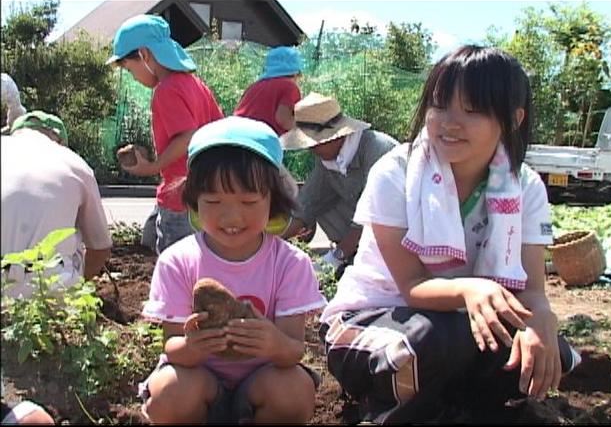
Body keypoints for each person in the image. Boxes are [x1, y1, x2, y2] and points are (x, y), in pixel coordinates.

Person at [318, 45, 582, 424]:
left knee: (552, 351)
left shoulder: (524, 187)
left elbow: (533, 291)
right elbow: (411, 286)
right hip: (373, 320)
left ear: (512, 119)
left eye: (472, 110)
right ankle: (387, 411)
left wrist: (541, 321)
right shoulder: (396, 173)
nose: (450, 122)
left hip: (462, 324)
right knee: (427, 341)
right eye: (440, 106)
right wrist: (471, 289)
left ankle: (465, 407)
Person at [138, 116, 327, 424]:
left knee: (294, 390)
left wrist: (273, 343)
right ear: (194, 201)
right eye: (213, 201)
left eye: (249, 201)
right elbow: (172, 348)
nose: (231, 216)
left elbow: (294, 350)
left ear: (273, 199)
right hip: (200, 379)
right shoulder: (178, 261)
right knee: (171, 392)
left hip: (260, 381)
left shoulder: (290, 263)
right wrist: (192, 347)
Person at [106, 14, 224, 254]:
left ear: (144, 55)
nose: (135, 78)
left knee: (175, 271)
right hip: (204, 194)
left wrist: (151, 167)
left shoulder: (166, 90)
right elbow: (217, 128)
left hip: (179, 196)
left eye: (130, 70)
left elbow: (187, 136)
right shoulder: (194, 84)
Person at [280, 92, 399, 274]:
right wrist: (271, 241)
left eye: (314, 143)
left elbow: (373, 216)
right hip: (364, 234)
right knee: (321, 203)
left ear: (334, 136)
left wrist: (335, 258)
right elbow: (308, 203)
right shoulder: (327, 160)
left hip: (398, 234)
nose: (311, 149)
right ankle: (354, 257)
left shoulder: (378, 151)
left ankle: (360, 259)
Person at [1, 111, 112, 298]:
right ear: (58, 139)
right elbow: (100, 248)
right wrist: (79, 286)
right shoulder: (76, 164)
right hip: (50, 291)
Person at [233, 46, 303, 136]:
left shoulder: (255, 86)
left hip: (236, 134)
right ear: (296, 73)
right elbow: (283, 119)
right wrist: (304, 130)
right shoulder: (290, 87)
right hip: (259, 139)